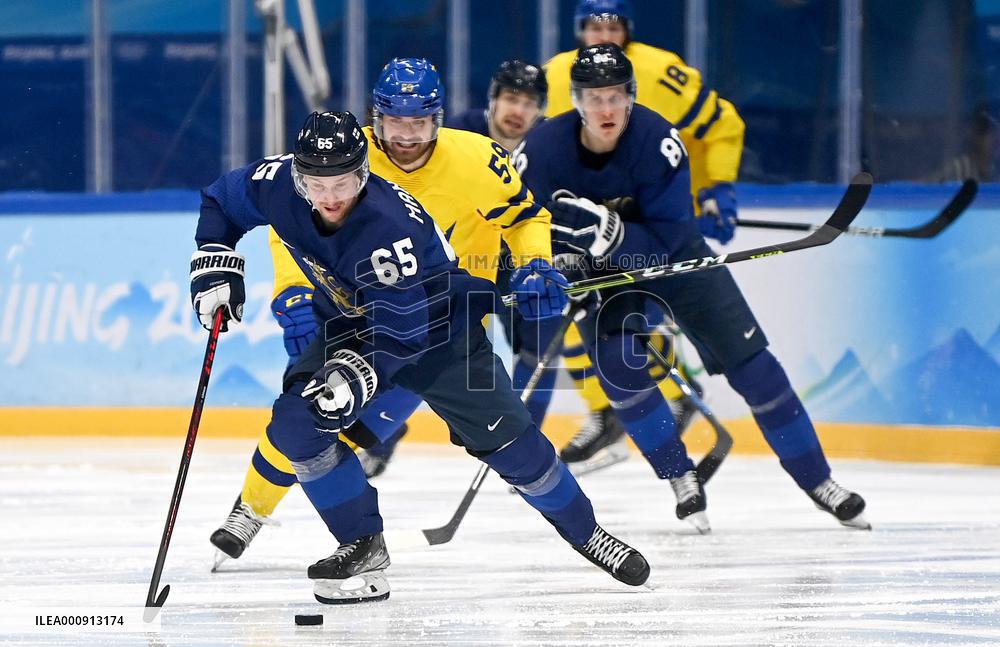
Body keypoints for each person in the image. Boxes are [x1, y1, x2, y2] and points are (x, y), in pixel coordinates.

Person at [193, 109, 651, 602]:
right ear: (297, 172)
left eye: (342, 182)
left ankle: (587, 533)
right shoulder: (280, 182)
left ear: (363, 172)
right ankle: (362, 544)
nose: (329, 197)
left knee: (515, 451)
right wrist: (215, 263)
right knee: (295, 424)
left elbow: (403, 333)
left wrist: (355, 375)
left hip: (437, 336)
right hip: (352, 320)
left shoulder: (389, 230)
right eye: (316, 183)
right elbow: (223, 199)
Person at [206, 60, 580, 566]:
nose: (406, 136)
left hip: (437, 325)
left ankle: (358, 531)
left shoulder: (477, 160)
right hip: (354, 316)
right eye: (394, 122)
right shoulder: (341, 156)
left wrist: (535, 264)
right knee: (306, 416)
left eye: (420, 122)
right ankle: (251, 507)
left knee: (355, 431)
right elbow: (285, 220)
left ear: (439, 119)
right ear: (374, 118)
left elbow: (526, 216)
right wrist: (293, 293)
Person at [516, 43, 870, 533]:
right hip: (608, 278)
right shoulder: (540, 152)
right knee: (619, 366)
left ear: (631, 96)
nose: (606, 109)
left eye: (616, 96)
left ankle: (818, 481)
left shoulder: (659, 140)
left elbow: (669, 237)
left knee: (757, 371)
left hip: (677, 259)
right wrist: (555, 261)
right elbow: (521, 222)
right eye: (595, 98)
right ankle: (680, 475)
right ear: (576, 100)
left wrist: (613, 235)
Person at [540, 0, 743, 467]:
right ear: (580, 31)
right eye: (593, 26)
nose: (603, 34)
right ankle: (604, 413)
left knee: (646, 314)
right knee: (578, 315)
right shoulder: (554, 75)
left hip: (653, 221)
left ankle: (677, 391)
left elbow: (724, 125)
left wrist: (717, 188)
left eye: (612, 25)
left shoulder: (662, 71)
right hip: (589, 226)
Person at [448, 58, 547, 152]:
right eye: (511, 99)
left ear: (538, 112)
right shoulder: (461, 133)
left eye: (529, 104)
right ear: (493, 99)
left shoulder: (548, 139)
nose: (518, 112)